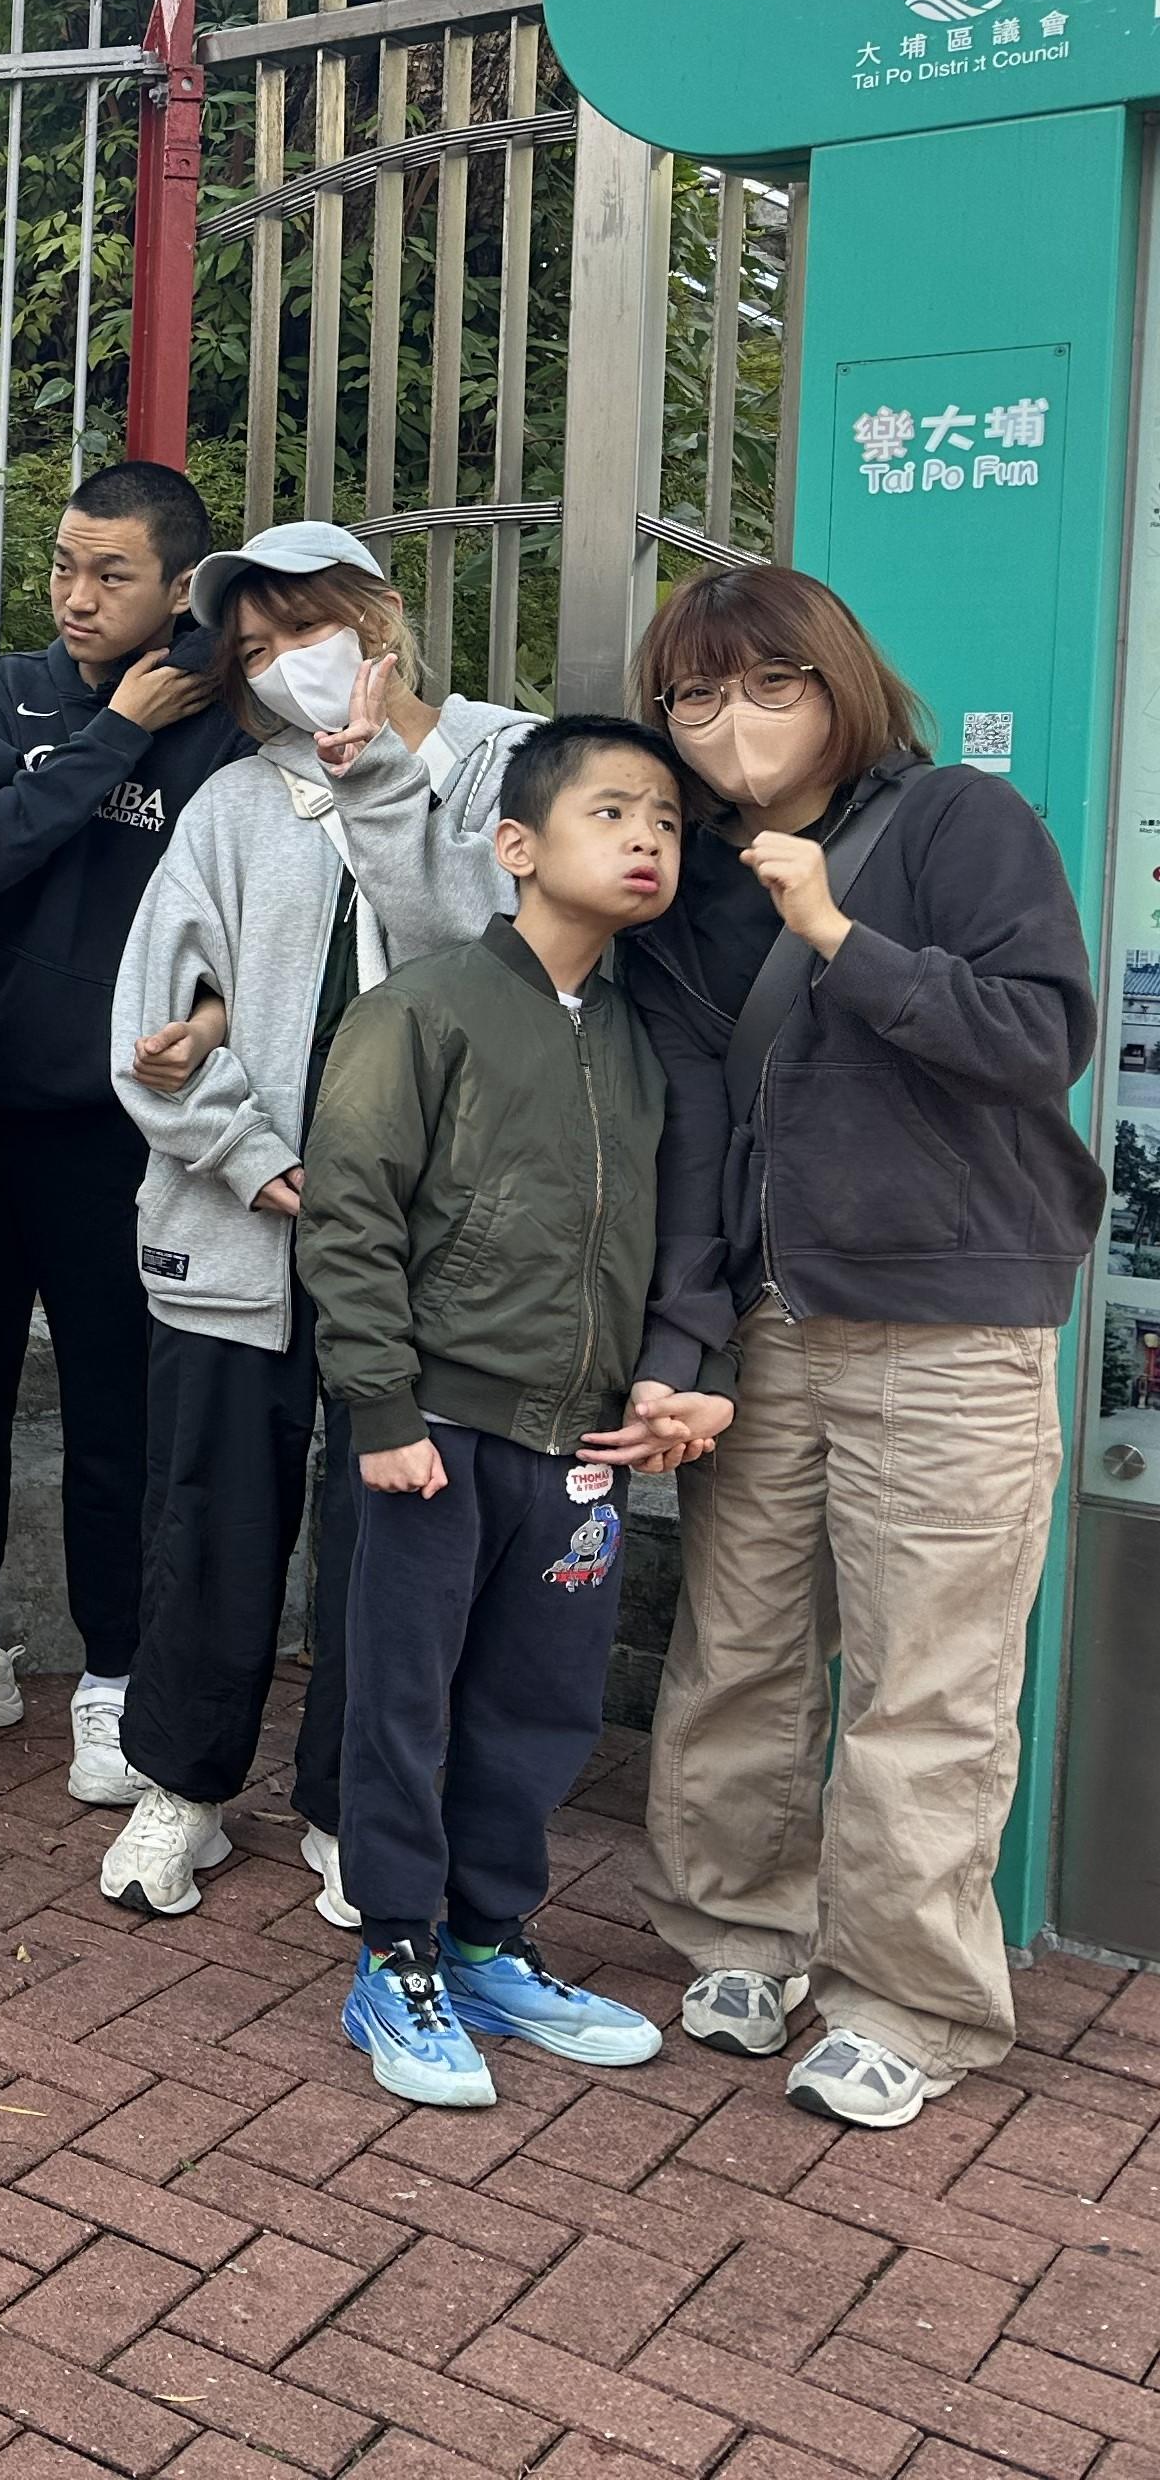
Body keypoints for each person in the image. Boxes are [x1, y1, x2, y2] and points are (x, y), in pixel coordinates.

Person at [622, 567, 1103, 2131]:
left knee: (927, 1682)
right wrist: (687, 1334)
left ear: (839, 685)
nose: (733, 723)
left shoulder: (961, 820)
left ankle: (909, 2001)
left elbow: (1041, 1037)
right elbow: (691, 1128)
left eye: (772, 684)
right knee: (739, 1653)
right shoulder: (685, 885)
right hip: (769, 1323)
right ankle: (739, 1931)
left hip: (950, 1326)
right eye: (697, 697)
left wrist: (838, 933)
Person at [101, 520, 534, 1921]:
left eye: (307, 627)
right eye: (257, 649)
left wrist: (381, 783)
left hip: (428, 1251)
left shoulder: (505, 768)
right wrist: (254, 1155)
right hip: (241, 1232)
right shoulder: (232, 806)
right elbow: (151, 1026)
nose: (287, 663)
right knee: (208, 1516)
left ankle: (357, 1803)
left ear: (379, 616)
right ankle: (182, 1784)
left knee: (391, 1538)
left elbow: (498, 970)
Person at [296, 717, 720, 2107]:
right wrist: (382, 1407)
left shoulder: (648, 1040)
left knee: (538, 1706)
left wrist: (657, 1373)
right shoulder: (423, 1010)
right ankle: (395, 1957)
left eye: (667, 820)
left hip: (582, 1443)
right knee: (402, 1702)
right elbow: (349, 1217)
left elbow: (671, 1233)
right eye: (613, 813)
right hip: (434, 1431)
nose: (647, 839)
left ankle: (486, 1942)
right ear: (517, 846)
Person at [0, 462, 245, 1803]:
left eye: (111, 574)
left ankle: (113, 1678)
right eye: (62, 566)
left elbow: (262, 910)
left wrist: (210, 1020)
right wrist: (109, 735)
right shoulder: (8, 695)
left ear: (180, 588)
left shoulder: (228, 723)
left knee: (114, 1403)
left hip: (123, 1124)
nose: (77, 596)